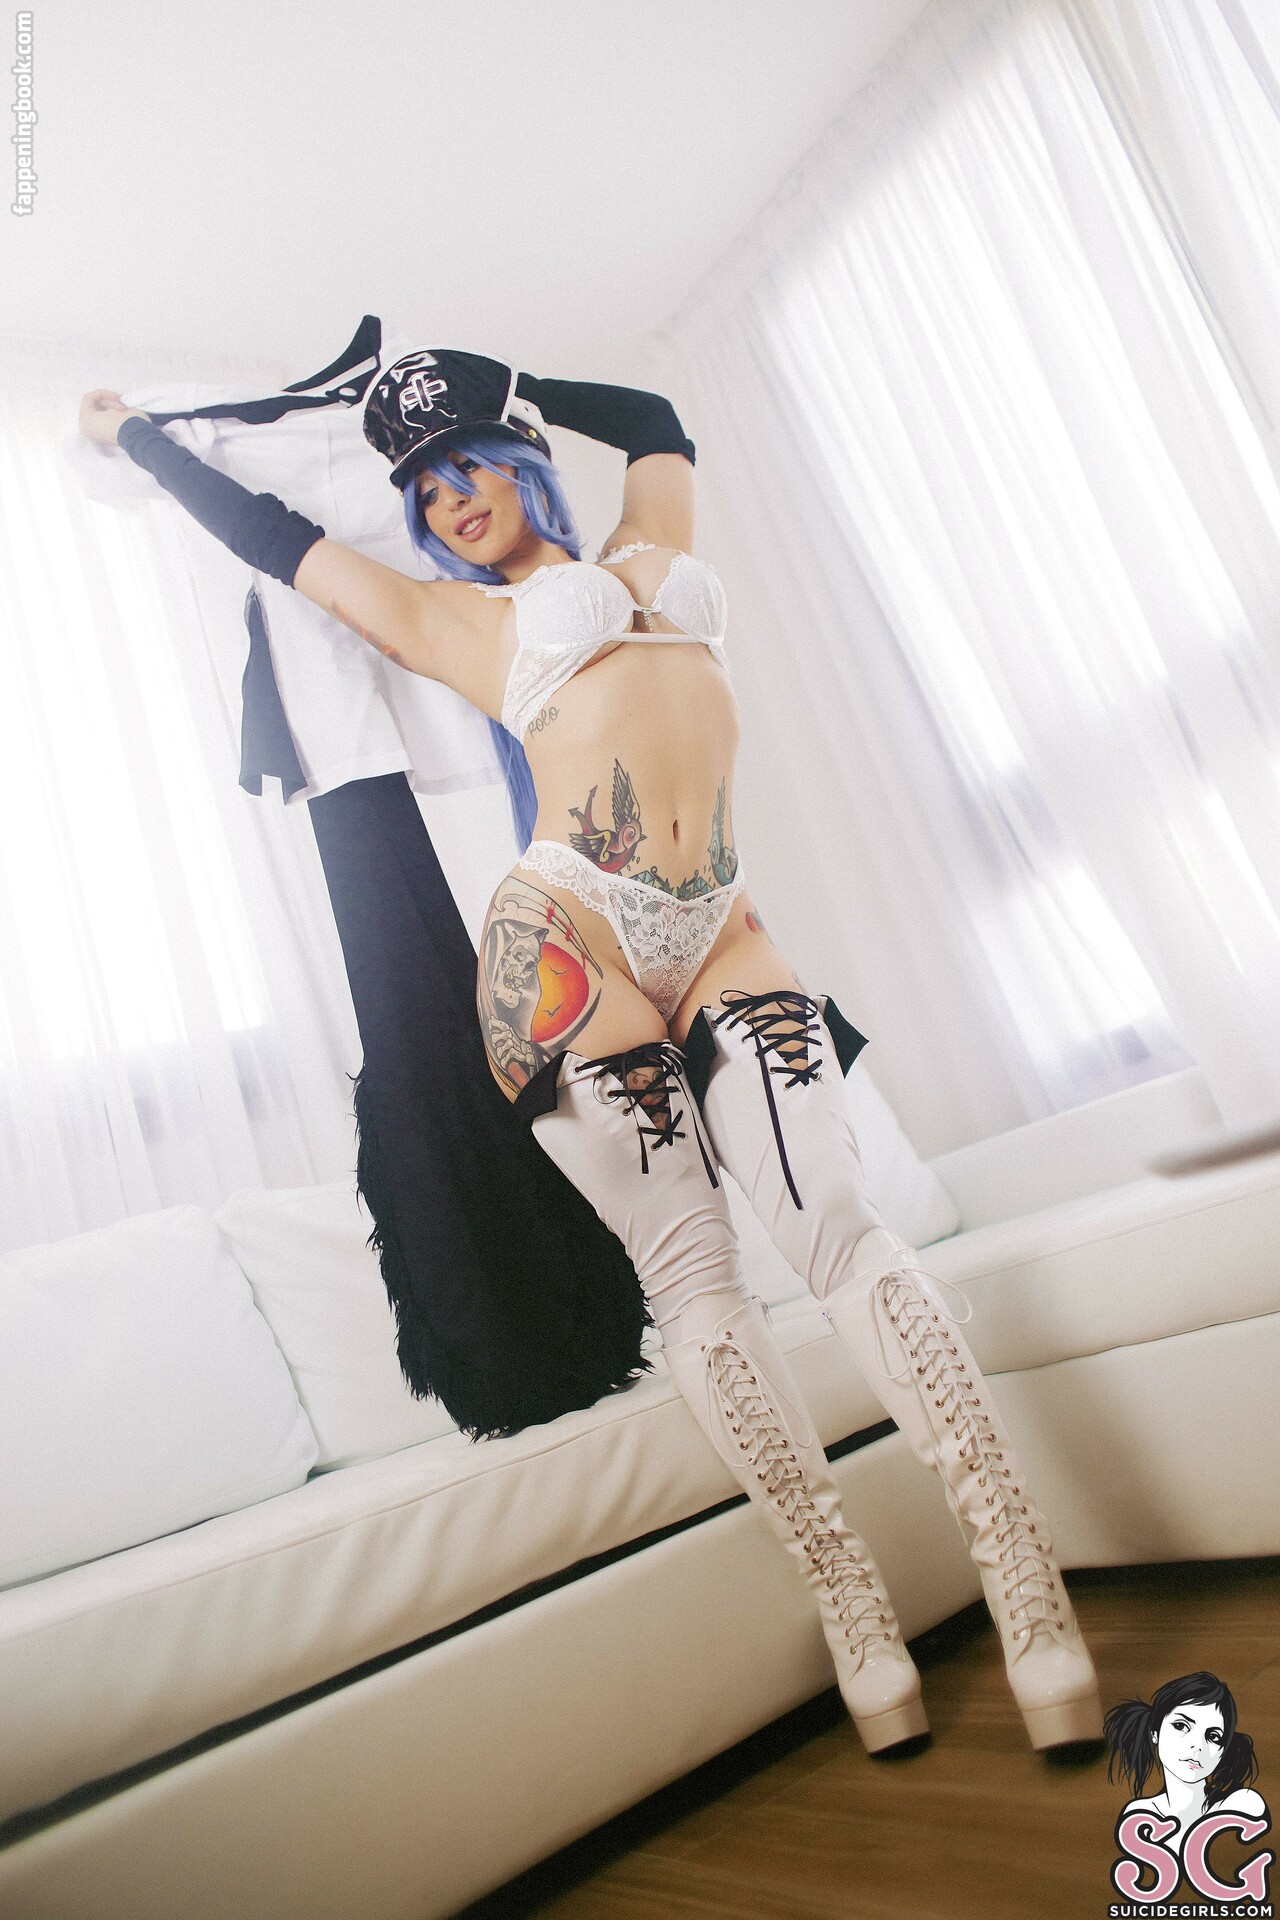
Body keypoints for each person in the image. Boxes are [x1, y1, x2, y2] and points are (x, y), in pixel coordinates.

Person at [79, 350, 1102, 1757]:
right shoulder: (451, 621)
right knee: (694, 1280)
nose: (449, 500)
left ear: (522, 459)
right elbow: (270, 537)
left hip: (718, 923)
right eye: (422, 492)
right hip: (564, 934)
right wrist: (137, 439)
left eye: (468, 464)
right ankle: (851, 1609)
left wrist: (502, 371)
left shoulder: (648, 544)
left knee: (836, 1221)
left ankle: (1022, 1578)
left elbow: (656, 422)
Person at [1105, 1673, 1265, 1850]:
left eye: (1213, 1736)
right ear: (1154, 1733)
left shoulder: (1241, 1804)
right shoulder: (1140, 1815)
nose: (1198, 1746)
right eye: (1181, 1726)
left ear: (1223, 1751)